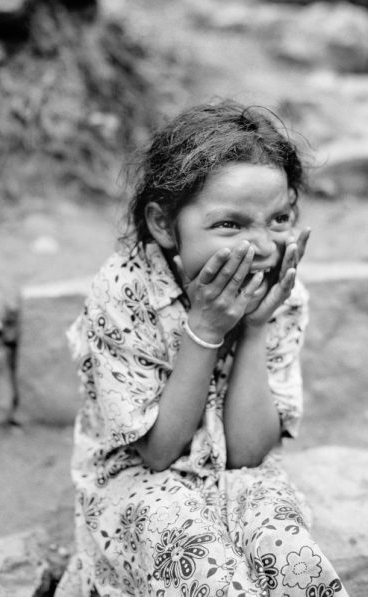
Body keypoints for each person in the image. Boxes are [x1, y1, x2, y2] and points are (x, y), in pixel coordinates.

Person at [55, 100, 349, 597]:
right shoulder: (125, 293)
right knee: (201, 560)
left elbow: (248, 453)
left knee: (291, 557)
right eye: (230, 225)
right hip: (138, 484)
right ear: (164, 224)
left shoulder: (280, 289)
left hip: (234, 474)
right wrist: (207, 329)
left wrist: (255, 329)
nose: (262, 246)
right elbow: (157, 453)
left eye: (280, 218)